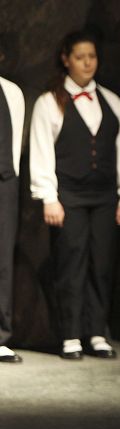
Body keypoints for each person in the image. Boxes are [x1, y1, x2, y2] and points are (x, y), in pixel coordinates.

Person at [29, 30, 120, 360]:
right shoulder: (50, 102)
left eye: (92, 56)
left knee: (102, 264)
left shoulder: (112, 101)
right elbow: (41, 152)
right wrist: (49, 196)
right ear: (66, 59)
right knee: (71, 263)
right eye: (80, 57)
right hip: (70, 196)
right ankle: (71, 335)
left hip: (105, 195)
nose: (87, 63)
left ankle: (96, 332)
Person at [0, 73, 24, 363]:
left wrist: (10, 177)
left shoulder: (11, 91)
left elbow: (15, 138)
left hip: (4, 182)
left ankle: (1, 334)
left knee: (3, 260)